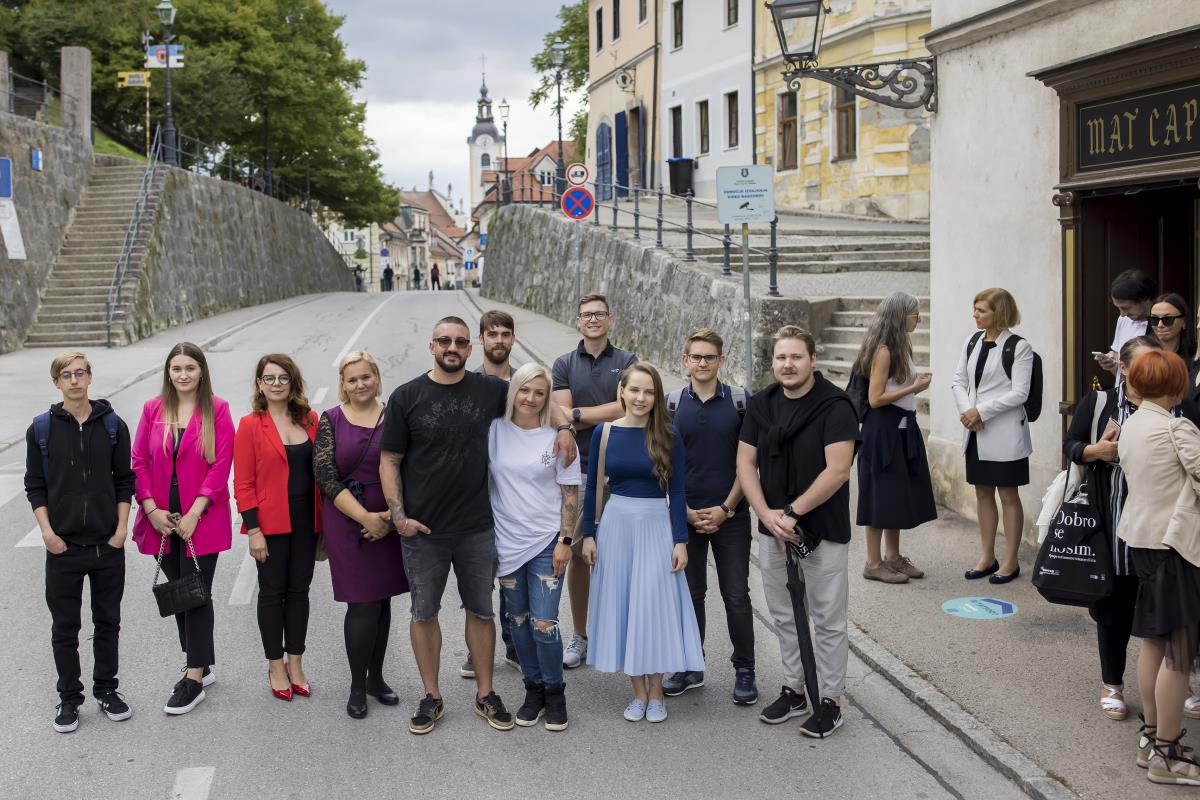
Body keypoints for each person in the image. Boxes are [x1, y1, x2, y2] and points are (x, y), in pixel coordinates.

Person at [379, 316, 576, 735]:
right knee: (423, 613)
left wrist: (563, 427)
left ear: (471, 349)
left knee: (482, 612)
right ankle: (431, 696)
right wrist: (399, 518)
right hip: (423, 531)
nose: (452, 347)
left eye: (460, 342)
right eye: (444, 341)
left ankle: (486, 693)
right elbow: (389, 460)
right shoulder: (406, 396)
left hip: (478, 528)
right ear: (431, 346)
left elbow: (536, 395)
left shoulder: (489, 389)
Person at [736, 326, 858, 739]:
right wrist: (766, 515)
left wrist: (792, 513)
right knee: (785, 615)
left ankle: (831, 700)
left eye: (796, 357)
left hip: (821, 529)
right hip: (773, 528)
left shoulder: (835, 406)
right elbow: (745, 464)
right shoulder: (761, 405)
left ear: (812, 360)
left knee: (827, 620)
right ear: (773, 362)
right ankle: (795, 689)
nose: (788, 365)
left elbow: (838, 470)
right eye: (781, 357)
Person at [582, 363, 703, 723]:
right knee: (624, 605)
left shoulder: (668, 434)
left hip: (656, 526)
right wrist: (588, 535)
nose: (641, 398)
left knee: (652, 608)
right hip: (616, 527)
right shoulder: (604, 432)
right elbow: (593, 488)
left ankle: (656, 691)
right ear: (621, 391)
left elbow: (677, 491)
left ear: (657, 396)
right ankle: (638, 692)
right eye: (634, 390)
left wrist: (680, 541)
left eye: (649, 392)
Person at [25, 352, 135, 733]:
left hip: (107, 546)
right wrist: (47, 533)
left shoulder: (113, 425)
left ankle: (107, 690)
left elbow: (124, 480)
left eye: (80, 373)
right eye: (66, 375)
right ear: (56, 382)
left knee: (108, 623)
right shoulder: (41, 429)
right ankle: (69, 698)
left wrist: (121, 530)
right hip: (63, 548)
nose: (74, 380)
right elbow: (35, 485)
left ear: (90, 377)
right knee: (64, 628)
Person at [131, 342, 235, 716]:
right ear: (168, 373)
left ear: (201, 371)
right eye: (176, 368)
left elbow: (221, 464)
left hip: (201, 518)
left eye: (190, 367)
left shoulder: (217, 409)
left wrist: (194, 512)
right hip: (161, 518)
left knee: (196, 593)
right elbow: (138, 462)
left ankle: (193, 679)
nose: (183, 374)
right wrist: (151, 509)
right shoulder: (153, 409)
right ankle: (200, 661)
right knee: (179, 592)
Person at [1065, 336, 1162, 723]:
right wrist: (1095, 451)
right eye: (1143, 364)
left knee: (1164, 608)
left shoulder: (1172, 405)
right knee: (1113, 609)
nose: (1152, 372)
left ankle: (1172, 684)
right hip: (1112, 524)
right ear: (1122, 367)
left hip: (1158, 527)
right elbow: (1071, 444)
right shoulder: (1099, 402)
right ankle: (1112, 683)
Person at [1115, 348, 1200, 785]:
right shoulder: (1175, 427)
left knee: (1154, 640)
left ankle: (1151, 739)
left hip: (1143, 541)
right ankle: (1167, 755)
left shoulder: (1132, 424)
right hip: (1174, 546)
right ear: (1176, 385)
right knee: (1179, 652)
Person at [662, 329, 758, 705]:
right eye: (696, 357)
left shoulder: (740, 402)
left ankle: (745, 670)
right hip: (685, 516)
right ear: (685, 360)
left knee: (736, 595)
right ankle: (690, 666)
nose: (702, 363)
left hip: (731, 516)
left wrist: (726, 508)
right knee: (690, 595)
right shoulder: (670, 405)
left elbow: (749, 463)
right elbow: (663, 465)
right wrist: (684, 510)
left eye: (710, 357)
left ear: (721, 361)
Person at [314, 351, 407, 719]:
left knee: (382, 601)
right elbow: (325, 476)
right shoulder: (331, 419)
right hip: (347, 520)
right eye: (352, 379)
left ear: (377, 377)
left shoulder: (394, 415)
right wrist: (366, 518)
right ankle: (357, 684)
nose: (360, 384)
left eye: (365, 377)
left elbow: (409, 466)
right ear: (343, 384)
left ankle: (376, 679)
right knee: (362, 603)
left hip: (389, 518)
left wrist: (390, 517)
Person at [489, 363, 581, 730]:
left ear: (547, 398)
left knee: (544, 622)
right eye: (524, 390)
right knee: (519, 621)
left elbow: (570, 493)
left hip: (547, 542)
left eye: (539, 392)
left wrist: (565, 541)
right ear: (514, 391)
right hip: (506, 543)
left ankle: (556, 693)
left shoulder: (557, 438)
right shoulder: (494, 431)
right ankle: (534, 690)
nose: (530, 398)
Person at [552, 293, 638, 669]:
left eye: (599, 314)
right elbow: (560, 412)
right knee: (578, 556)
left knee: (621, 556)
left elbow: (627, 406)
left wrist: (576, 414)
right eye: (586, 315)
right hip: (581, 470)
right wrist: (584, 414)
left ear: (610, 319)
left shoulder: (628, 361)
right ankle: (581, 635)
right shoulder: (564, 363)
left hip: (622, 469)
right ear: (578, 321)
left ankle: (621, 632)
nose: (593, 320)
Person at [234, 354, 321, 703]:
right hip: (270, 524)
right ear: (259, 384)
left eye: (283, 377)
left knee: (300, 591)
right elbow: (243, 484)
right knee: (272, 593)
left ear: (292, 382)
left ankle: (295, 663)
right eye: (269, 378)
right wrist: (254, 530)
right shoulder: (250, 425)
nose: (276, 384)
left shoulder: (310, 419)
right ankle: (275, 666)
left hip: (307, 521)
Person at [853, 292, 937, 584]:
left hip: (900, 429)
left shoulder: (901, 345)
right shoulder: (884, 351)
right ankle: (873, 563)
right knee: (879, 495)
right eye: (915, 315)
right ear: (900, 316)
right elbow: (875, 399)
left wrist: (914, 384)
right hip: (882, 431)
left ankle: (892, 557)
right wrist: (914, 388)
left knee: (895, 494)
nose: (919, 320)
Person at [951, 288, 1033, 584]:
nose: (975, 315)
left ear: (999, 313)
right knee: (982, 493)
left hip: (1005, 433)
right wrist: (968, 412)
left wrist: (981, 412)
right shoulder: (972, 341)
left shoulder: (1019, 347)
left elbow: (1020, 393)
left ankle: (1010, 561)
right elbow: (958, 380)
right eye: (975, 309)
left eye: (981, 310)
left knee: (1008, 496)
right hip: (975, 431)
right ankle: (987, 556)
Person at [461, 309, 519, 679]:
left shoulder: (525, 382)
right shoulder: (467, 383)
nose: (499, 340)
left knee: (513, 573)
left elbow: (551, 416)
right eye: (492, 334)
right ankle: (476, 650)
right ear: (481, 339)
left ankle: (514, 643)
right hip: (475, 492)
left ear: (513, 339)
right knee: (478, 576)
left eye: (505, 334)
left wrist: (564, 428)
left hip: (516, 492)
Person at [1096, 269, 1155, 378]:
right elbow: (1119, 373)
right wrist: (1112, 365)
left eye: (1126, 308)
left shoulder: (1161, 325)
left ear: (1145, 300)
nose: (1122, 314)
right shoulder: (1123, 320)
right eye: (1118, 308)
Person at [1149, 293, 1196, 372]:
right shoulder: (1142, 352)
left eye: (1167, 319)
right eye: (1154, 319)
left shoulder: (1195, 358)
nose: (1160, 325)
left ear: (1184, 322)